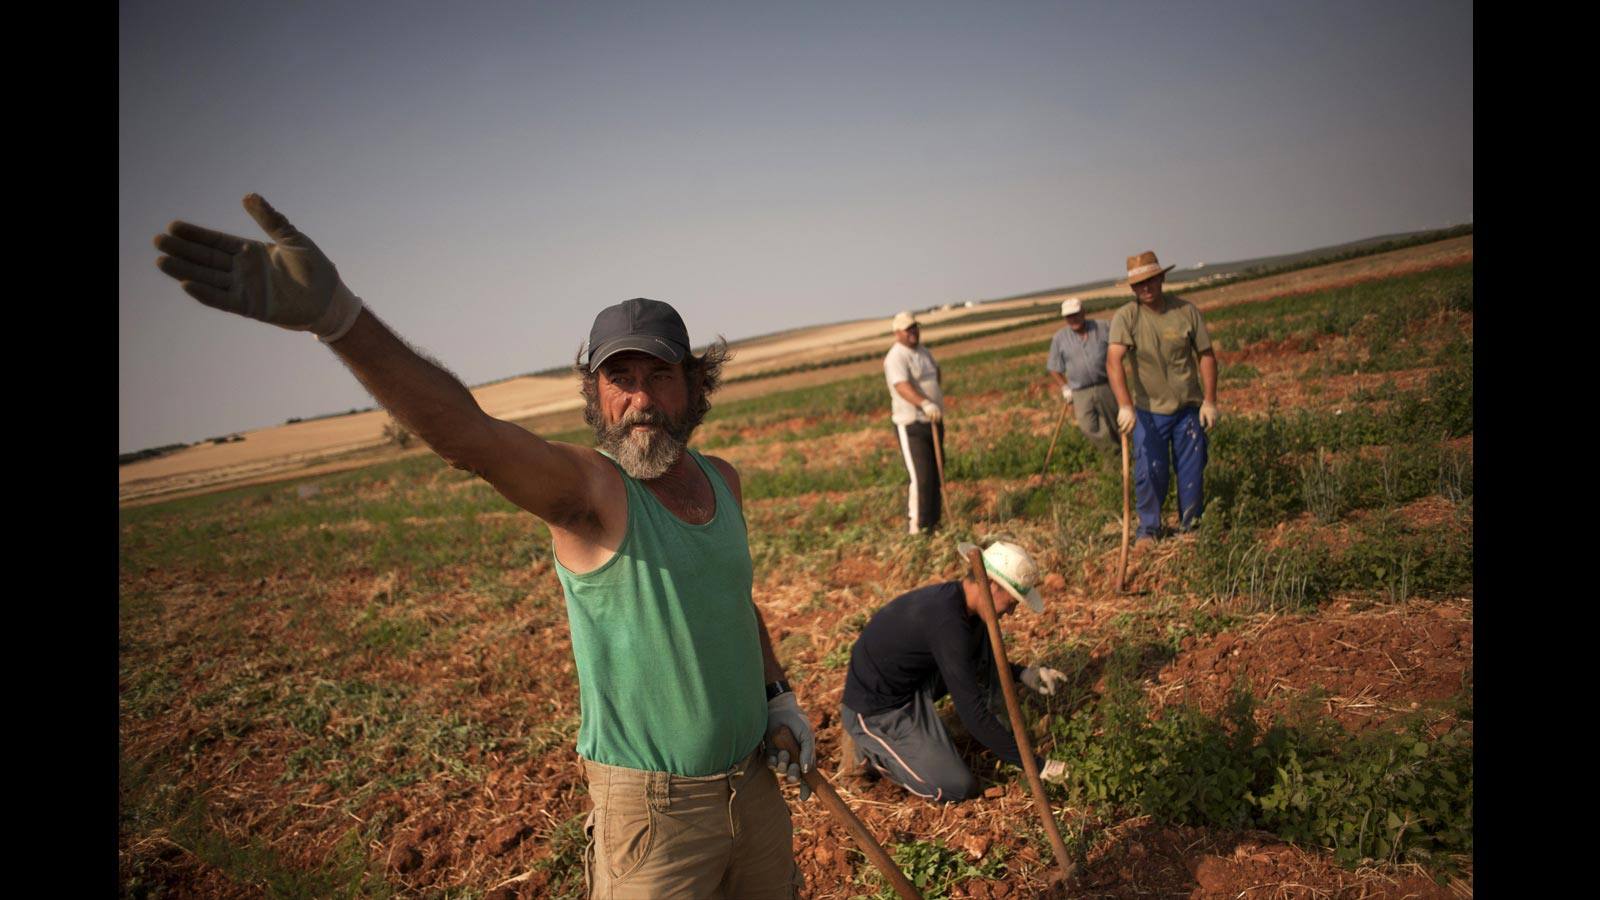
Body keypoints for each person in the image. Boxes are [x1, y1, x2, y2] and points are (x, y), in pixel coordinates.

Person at [151, 194, 810, 898]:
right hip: (657, 818)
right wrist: (339, 319)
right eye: (620, 380)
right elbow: (470, 437)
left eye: (659, 377)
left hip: (755, 788)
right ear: (595, 394)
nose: (639, 399)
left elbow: (730, 599)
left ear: (695, 384)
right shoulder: (592, 492)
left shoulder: (721, 481)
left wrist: (777, 696)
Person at [837, 540, 1069, 802]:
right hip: (876, 708)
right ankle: (869, 750)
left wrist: (1022, 674)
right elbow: (973, 713)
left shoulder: (963, 606)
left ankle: (981, 732)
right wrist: (1037, 766)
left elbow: (978, 662)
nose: (1012, 612)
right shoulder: (947, 622)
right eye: (1012, 602)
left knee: (981, 647)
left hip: (913, 683)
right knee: (956, 786)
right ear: (991, 585)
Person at [1105, 250, 1220, 542]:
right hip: (1148, 412)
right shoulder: (1127, 317)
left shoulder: (1186, 311)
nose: (1145, 287)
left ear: (1161, 278)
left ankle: (1191, 526)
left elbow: (1206, 355)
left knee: (1192, 469)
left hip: (1187, 409)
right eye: (1138, 284)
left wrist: (1209, 401)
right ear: (1132, 288)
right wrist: (1125, 406)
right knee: (1149, 471)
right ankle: (1149, 530)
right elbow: (1113, 360)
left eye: (1150, 280)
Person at [883, 310, 946, 534]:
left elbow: (936, 374)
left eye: (915, 327)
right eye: (908, 329)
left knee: (936, 473)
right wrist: (925, 403)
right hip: (911, 424)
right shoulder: (896, 357)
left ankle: (934, 523)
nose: (913, 332)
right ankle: (918, 528)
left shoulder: (924, 352)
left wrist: (934, 401)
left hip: (932, 421)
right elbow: (902, 386)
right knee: (922, 477)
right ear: (897, 333)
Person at [1045, 297, 1119, 456]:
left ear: (1083, 312)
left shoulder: (1103, 327)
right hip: (1080, 391)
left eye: (1076, 314)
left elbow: (1118, 349)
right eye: (1069, 316)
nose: (1073, 319)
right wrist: (1064, 387)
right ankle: (1112, 452)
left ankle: (1119, 458)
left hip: (1106, 385)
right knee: (1088, 427)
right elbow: (1053, 367)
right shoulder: (1060, 338)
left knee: (1113, 422)